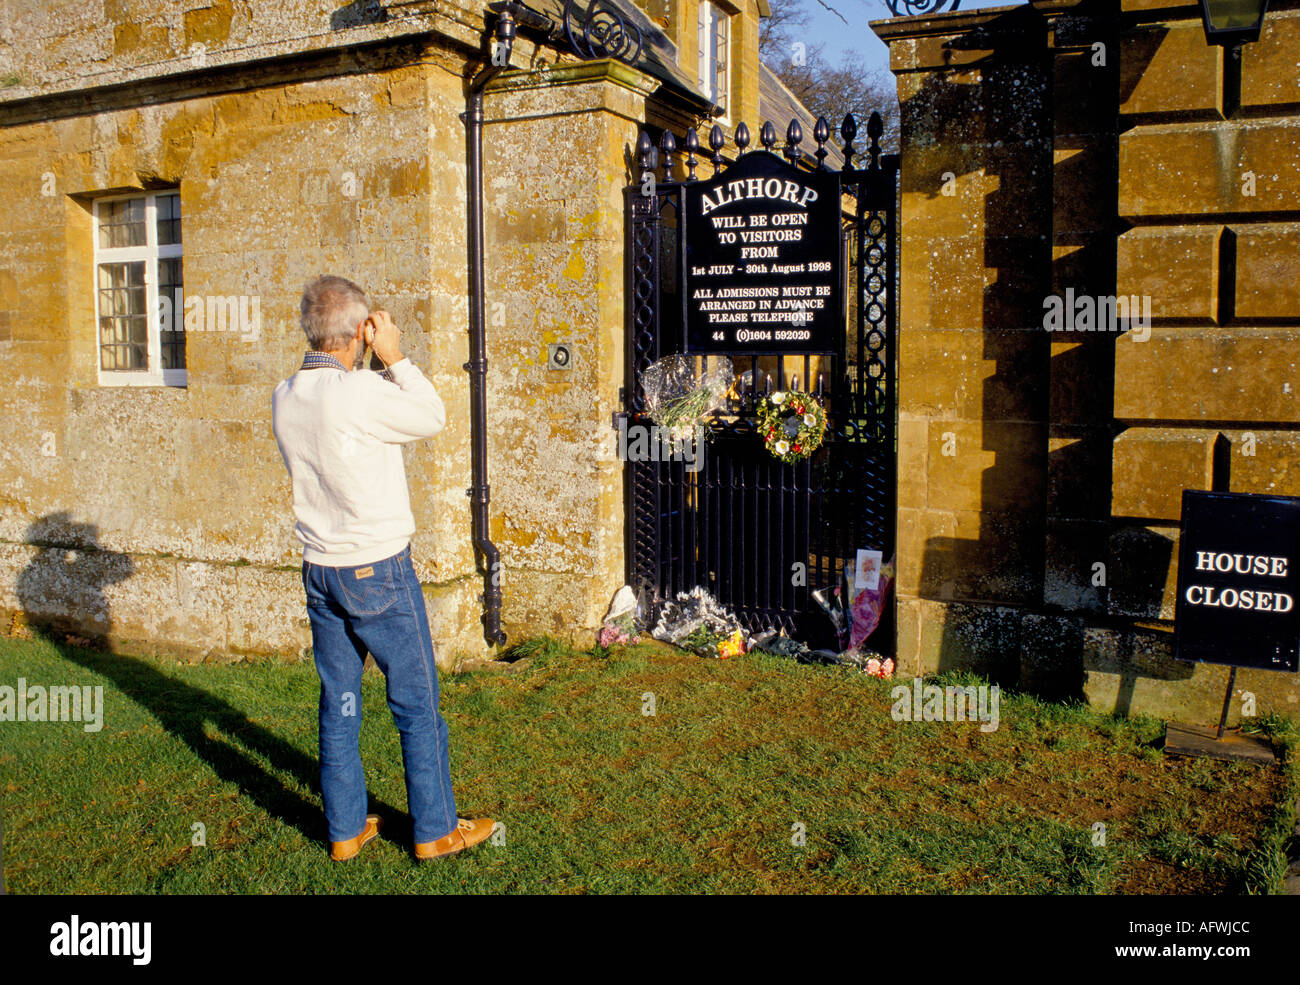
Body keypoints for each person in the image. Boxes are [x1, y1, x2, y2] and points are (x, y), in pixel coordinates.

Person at [271, 274, 493, 862]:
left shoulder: (285, 394)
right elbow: (431, 416)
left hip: (320, 569)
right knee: (416, 705)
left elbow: (339, 405)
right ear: (357, 333)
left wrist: (364, 360)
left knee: (339, 704)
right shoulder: (363, 391)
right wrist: (394, 356)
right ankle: (436, 830)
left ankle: (345, 831)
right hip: (378, 571)